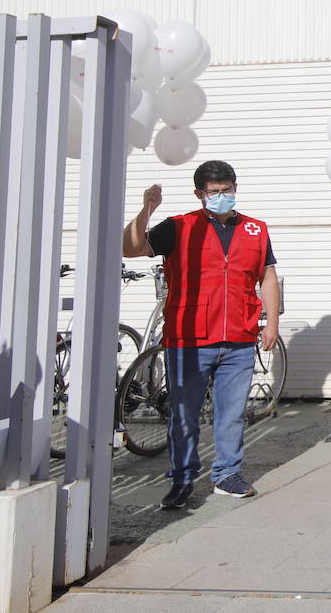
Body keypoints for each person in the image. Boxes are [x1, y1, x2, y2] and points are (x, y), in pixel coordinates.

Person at [122, 160, 281, 510]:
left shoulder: (256, 229)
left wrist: (271, 323)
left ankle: (227, 475)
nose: (222, 196)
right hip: (189, 340)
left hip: (238, 337)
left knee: (232, 413)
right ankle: (181, 480)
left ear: (235, 188)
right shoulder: (180, 227)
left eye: (227, 190)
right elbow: (130, 247)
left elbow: (266, 276)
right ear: (199, 194)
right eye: (214, 192)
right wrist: (147, 209)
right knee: (184, 414)